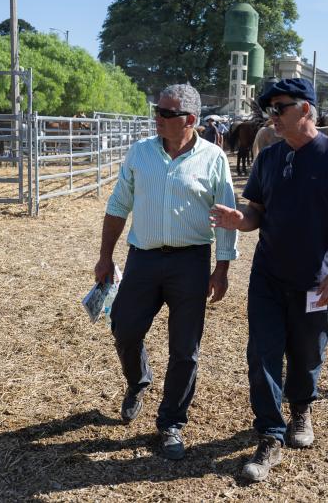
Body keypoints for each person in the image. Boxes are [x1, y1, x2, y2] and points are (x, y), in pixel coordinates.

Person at [209, 78, 328, 482]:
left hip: (316, 278)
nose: (272, 117)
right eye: (269, 110)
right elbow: (255, 213)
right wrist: (238, 220)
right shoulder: (269, 158)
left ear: (304, 109)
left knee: (307, 351)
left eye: (279, 108)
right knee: (262, 352)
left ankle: (301, 409)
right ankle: (270, 433)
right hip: (268, 273)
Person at [94, 83, 238, 460]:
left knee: (185, 349)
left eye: (165, 113)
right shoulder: (140, 153)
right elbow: (117, 205)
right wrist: (105, 256)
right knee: (124, 327)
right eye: (157, 110)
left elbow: (224, 217)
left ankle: (172, 421)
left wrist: (221, 268)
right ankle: (138, 379)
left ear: (189, 120)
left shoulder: (213, 158)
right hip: (143, 257)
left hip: (191, 261)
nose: (156, 117)